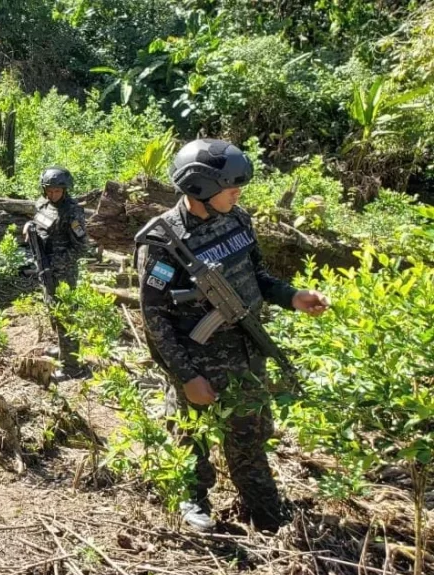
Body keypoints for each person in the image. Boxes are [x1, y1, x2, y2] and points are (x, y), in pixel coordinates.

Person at [135, 138, 329, 533]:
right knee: (194, 439)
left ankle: (265, 511)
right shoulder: (161, 243)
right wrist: (187, 378)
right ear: (201, 189)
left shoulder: (237, 219)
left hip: (246, 352)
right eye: (231, 188)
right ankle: (193, 501)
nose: (238, 194)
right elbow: (154, 320)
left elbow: (257, 276)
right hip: (199, 362)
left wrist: (292, 296)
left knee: (250, 438)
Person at [21, 166, 90, 377]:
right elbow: (39, 222)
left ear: (65, 190)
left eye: (57, 191)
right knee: (53, 312)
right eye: (49, 191)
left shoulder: (72, 212)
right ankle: (63, 350)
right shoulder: (43, 204)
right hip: (45, 268)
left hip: (63, 272)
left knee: (66, 316)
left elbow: (81, 247)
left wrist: (56, 263)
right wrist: (28, 226)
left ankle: (72, 367)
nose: (53, 195)